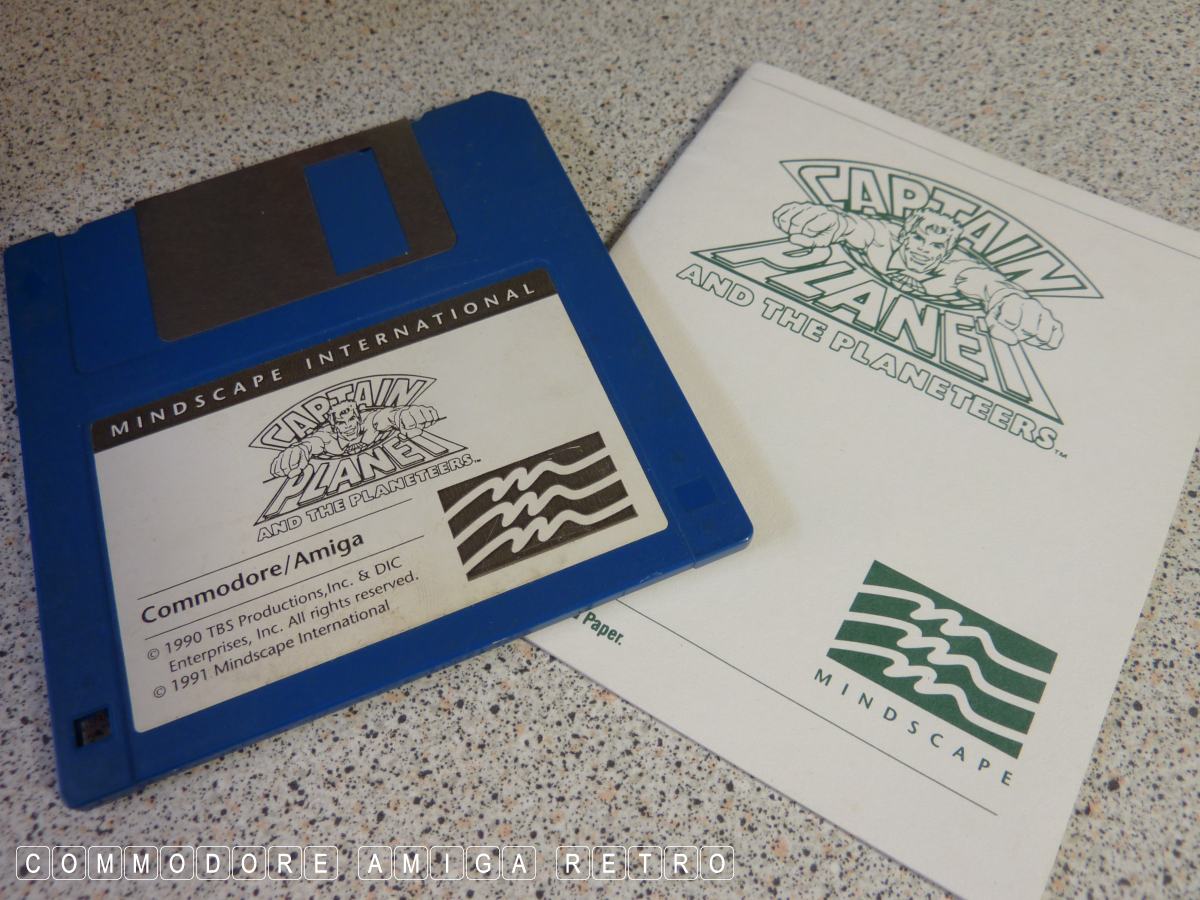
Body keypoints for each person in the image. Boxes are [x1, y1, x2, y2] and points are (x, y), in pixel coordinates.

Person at [771, 202, 1063, 349]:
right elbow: (856, 227)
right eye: (919, 239)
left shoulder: (956, 272)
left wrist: (1011, 302)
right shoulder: (881, 241)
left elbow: (987, 283)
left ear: (946, 253)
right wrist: (830, 222)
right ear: (903, 236)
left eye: (936, 246)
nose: (924, 250)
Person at [269, 400, 439, 477]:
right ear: (334, 426)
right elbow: (312, 443)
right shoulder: (327, 438)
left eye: (351, 420)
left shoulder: (370, 423)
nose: (348, 426)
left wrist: (404, 415)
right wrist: (298, 451)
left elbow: (385, 416)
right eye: (341, 423)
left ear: (358, 418)